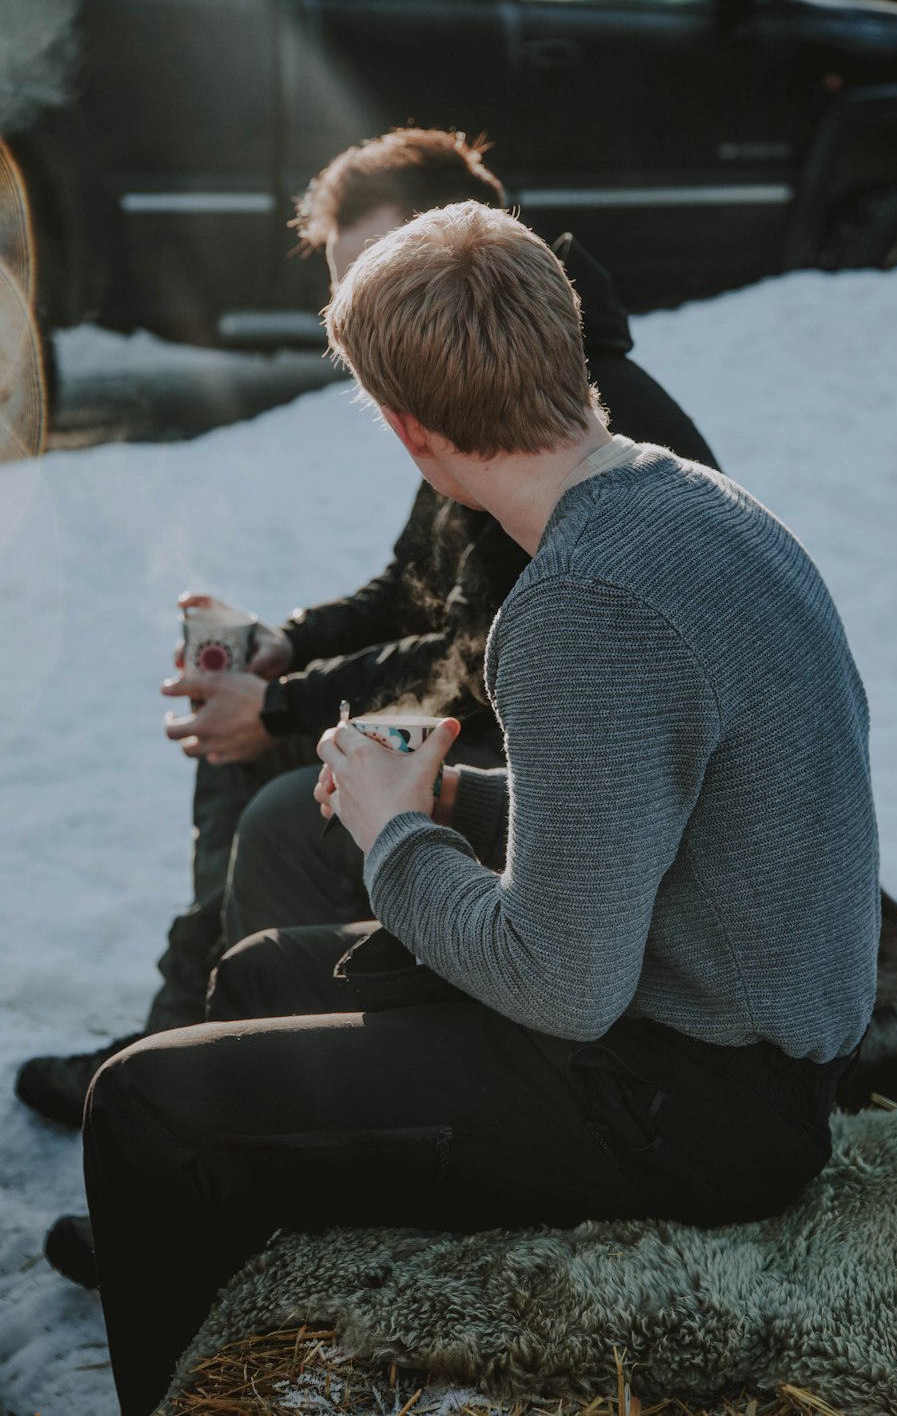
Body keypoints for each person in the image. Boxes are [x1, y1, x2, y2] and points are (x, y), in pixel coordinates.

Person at [82, 201, 879, 1416]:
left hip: (700, 1103)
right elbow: (665, 795)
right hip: (719, 1033)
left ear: (409, 433)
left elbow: (565, 983)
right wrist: (451, 791)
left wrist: (397, 836)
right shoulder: (688, 498)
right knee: (252, 976)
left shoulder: (581, 601)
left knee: (141, 1111)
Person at [15, 128, 720, 1129]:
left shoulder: (558, 402)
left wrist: (290, 710)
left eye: (380, 279)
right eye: (345, 292)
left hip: (541, 756)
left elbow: (487, 657)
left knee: (276, 799)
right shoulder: (472, 375)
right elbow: (414, 584)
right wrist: (290, 650)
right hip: (491, 710)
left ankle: (246, 1106)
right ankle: (180, 1037)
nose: (360, 325)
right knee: (240, 742)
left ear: (462, 244)